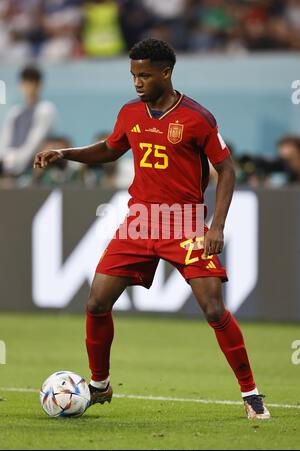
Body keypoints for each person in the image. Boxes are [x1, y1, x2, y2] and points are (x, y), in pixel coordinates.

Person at [33, 38, 270, 420]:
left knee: (212, 308)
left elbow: (227, 170)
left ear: (166, 72)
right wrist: (66, 153)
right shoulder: (130, 112)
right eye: (133, 75)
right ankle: (98, 384)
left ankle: (251, 394)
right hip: (140, 222)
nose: (137, 82)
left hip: (186, 225)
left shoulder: (197, 117)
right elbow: (111, 149)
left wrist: (216, 226)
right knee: (96, 301)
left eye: (144, 75)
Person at [0, 64, 56, 179]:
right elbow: (5, 140)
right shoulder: (15, 112)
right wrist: (4, 160)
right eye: (26, 82)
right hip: (8, 164)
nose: (29, 87)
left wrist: (14, 162)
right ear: (21, 84)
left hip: (31, 169)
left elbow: (34, 142)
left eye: (33, 83)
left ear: (40, 85)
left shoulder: (46, 110)